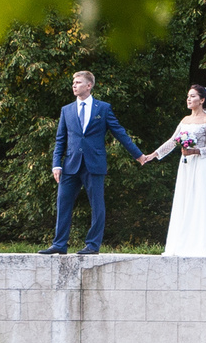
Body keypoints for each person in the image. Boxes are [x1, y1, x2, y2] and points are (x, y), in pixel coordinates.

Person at [42, 69, 145, 255]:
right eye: (73, 83)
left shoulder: (103, 108)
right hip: (70, 164)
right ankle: (59, 244)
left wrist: (138, 155)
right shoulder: (66, 110)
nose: (74, 85)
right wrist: (56, 164)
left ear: (89, 85)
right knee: (63, 203)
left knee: (97, 205)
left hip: (94, 164)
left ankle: (92, 245)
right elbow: (60, 140)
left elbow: (119, 132)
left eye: (78, 82)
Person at [138, 85, 206, 258]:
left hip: (202, 165)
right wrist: (153, 155)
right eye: (188, 96)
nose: (188, 99)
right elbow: (173, 141)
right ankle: (186, 240)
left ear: (202, 100)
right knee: (186, 199)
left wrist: (195, 151)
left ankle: (203, 240)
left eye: (192, 96)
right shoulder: (185, 120)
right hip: (187, 166)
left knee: (200, 200)